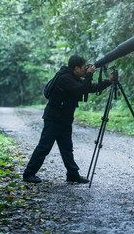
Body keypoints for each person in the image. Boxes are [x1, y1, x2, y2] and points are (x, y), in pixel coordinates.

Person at [23, 55, 112, 184]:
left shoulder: (73, 77)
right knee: (44, 147)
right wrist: (89, 75)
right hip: (54, 119)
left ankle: (72, 174)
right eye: (83, 68)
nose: (85, 69)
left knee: (67, 148)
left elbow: (89, 88)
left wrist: (108, 82)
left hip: (64, 118)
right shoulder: (65, 78)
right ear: (76, 68)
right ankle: (29, 173)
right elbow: (81, 89)